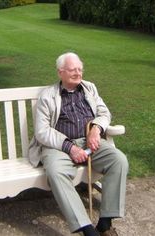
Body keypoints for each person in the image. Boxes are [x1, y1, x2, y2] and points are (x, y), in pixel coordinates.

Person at [28, 52, 128, 236]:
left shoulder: (89, 88)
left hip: (89, 141)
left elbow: (104, 113)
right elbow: (42, 131)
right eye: (73, 69)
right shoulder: (47, 96)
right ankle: (87, 230)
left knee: (119, 161)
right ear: (60, 72)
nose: (78, 73)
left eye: (80, 69)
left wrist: (96, 129)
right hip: (58, 146)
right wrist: (71, 148)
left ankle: (105, 223)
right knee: (56, 172)